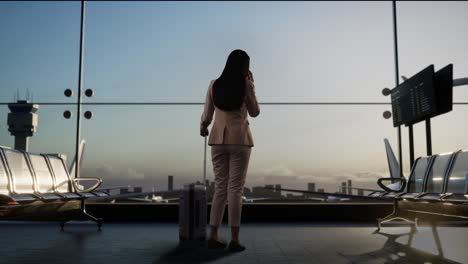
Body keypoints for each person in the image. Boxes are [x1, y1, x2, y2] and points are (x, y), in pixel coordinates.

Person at [200, 49, 260, 252]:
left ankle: (214, 235)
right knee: (235, 190)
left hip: (217, 140)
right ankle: (235, 239)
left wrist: (203, 126)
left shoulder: (214, 84)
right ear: (244, 67)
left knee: (220, 189)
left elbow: (207, 114)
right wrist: (252, 86)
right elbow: (255, 112)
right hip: (240, 141)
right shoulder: (245, 84)